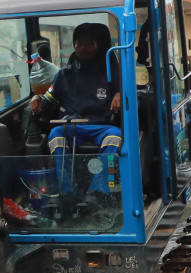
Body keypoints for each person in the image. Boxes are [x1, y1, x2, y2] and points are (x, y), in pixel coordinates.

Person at [30, 22, 122, 202]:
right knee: (55, 135)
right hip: (72, 126)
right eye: (79, 43)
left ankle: (98, 192)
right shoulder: (64, 75)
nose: (83, 48)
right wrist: (37, 100)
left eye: (89, 43)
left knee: (115, 137)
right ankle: (67, 192)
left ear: (98, 46)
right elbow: (47, 101)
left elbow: (128, 97)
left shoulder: (113, 73)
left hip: (102, 126)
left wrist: (119, 93)